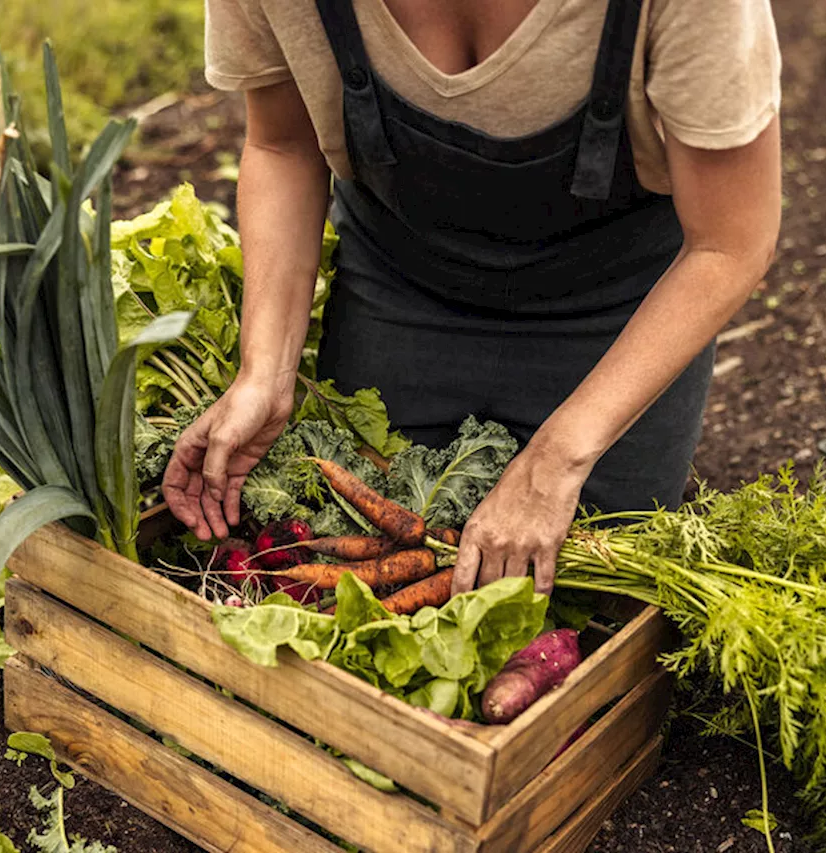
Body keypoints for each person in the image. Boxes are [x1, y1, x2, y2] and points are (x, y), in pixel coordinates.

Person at [163, 0, 783, 596]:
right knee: (365, 573)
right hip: (401, 288)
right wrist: (265, 373)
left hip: (617, 314)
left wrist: (557, 460)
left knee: (590, 603)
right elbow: (282, 144)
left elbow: (730, 245)